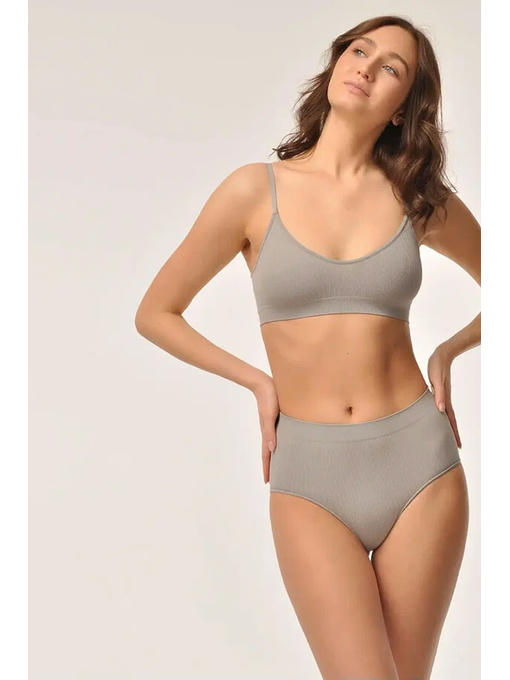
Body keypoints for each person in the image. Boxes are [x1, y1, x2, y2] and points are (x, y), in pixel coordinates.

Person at [134, 15, 480, 680]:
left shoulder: (417, 198)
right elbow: (156, 312)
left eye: (391, 67)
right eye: (359, 50)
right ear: (335, 65)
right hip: (310, 476)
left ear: (403, 106)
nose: (367, 68)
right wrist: (258, 382)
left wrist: (450, 350)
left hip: (421, 465)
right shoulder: (253, 191)